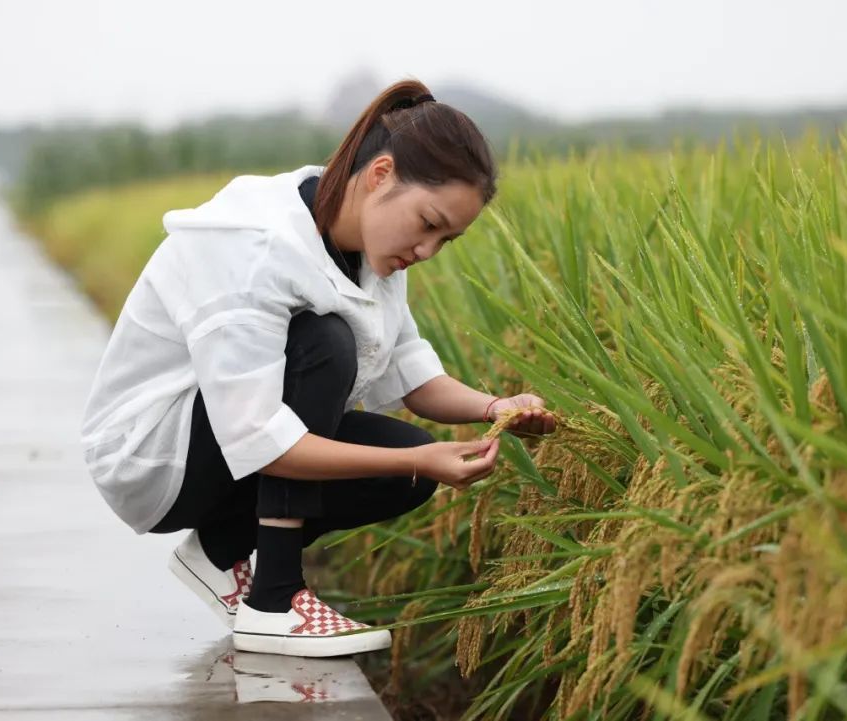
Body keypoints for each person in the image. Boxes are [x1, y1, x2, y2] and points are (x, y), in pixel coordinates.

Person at [79, 78, 556, 658]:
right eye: (428, 224)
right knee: (325, 343)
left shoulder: (370, 246)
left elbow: (414, 377)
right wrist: (418, 456)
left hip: (226, 443)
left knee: (401, 470)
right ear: (380, 175)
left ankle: (219, 549)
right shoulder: (260, 246)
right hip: (155, 454)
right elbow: (262, 439)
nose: (428, 250)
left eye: (446, 240)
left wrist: (494, 408)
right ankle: (275, 602)